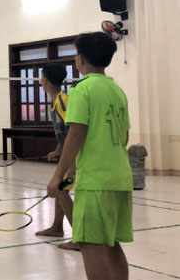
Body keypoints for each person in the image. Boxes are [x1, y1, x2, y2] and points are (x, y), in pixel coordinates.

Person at [47, 32, 132, 280]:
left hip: (96, 181)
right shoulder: (117, 90)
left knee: (89, 243)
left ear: (80, 59)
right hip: (120, 177)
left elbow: (75, 136)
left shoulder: (81, 90)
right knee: (111, 242)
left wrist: (57, 175)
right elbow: (125, 137)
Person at [35, 64, 78, 250]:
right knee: (61, 191)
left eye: (41, 76)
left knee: (60, 190)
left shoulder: (64, 101)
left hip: (76, 159)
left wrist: (72, 164)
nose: (40, 80)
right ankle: (57, 227)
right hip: (67, 157)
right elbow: (64, 133)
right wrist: (57, 150)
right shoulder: (56, 101)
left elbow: (75, 132)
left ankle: (80, 237)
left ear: (46, 80)